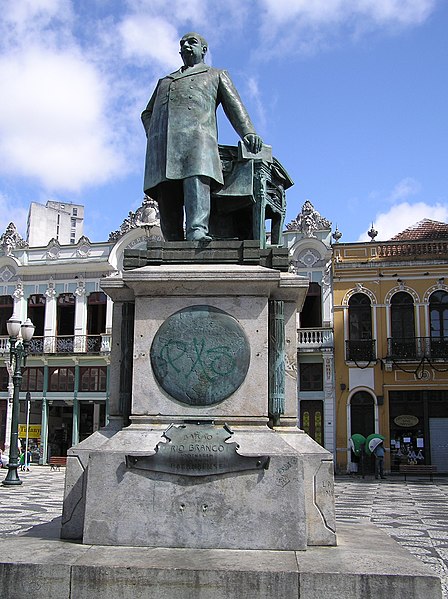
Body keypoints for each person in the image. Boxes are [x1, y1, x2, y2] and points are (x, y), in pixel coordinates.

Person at [142, 32, 262, 242]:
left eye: (192, 42)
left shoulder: (215, 74)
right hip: (163, 146)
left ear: (203, 50)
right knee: (166, 190)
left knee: (196, 180)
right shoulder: (164, 81)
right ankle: (172, 239)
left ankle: (197, 230)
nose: (186, 46)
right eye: (182, 43)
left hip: (198, 140)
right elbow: (147, 113)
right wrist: (154, 134)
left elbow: (234, 107)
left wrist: (248, 132)